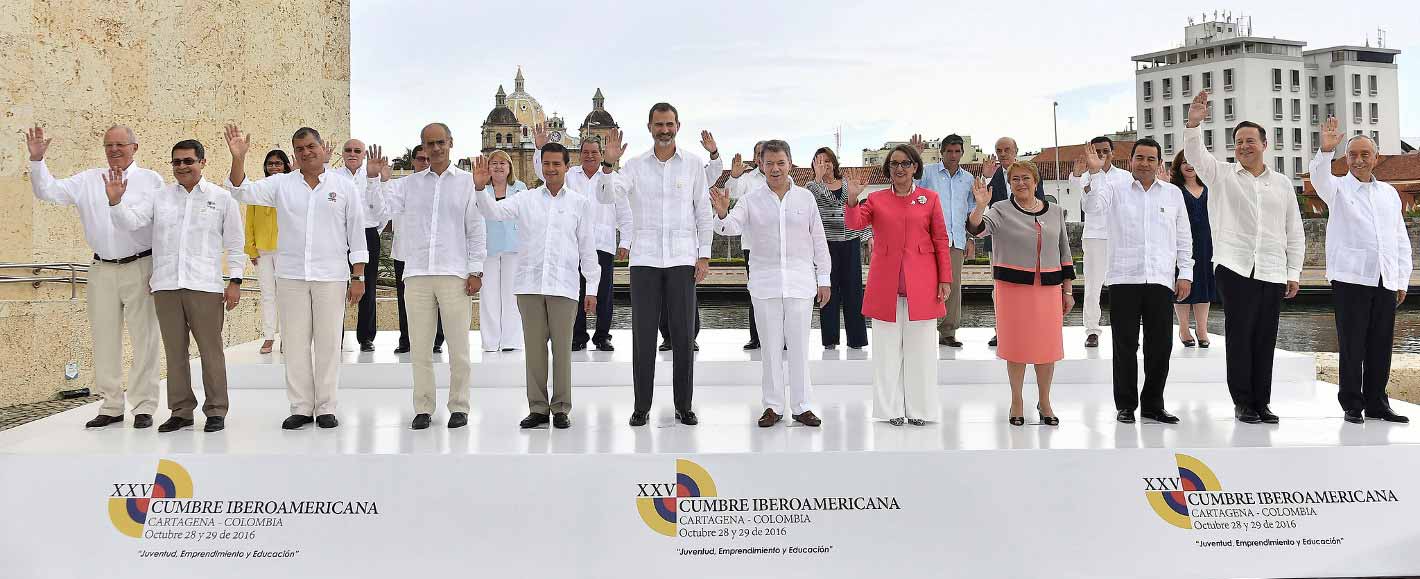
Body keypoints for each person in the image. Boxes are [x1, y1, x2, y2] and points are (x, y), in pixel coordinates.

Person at [224, 124, 369, 430]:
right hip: (290, 276)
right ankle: (301, 406)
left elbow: (356, 232)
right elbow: (240, 191)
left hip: (331, 275)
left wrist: (358, 274)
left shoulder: (343, 188)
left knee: (329, 343)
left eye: (311, 147)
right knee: (295, 343)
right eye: (300, 150)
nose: (306, 153)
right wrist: (238, 158)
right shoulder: (281, 184)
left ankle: (326, 406)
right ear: (294, 154)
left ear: (321, 148)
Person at [26, 124, 164, 430]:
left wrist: (116, 202)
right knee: (104, 338)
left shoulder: (151, 180)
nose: (114, 150)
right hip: (101, 269)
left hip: (142, 267)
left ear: (134, 147)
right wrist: (37, 161)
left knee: (146, 339)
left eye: (120, 144)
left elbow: (145, 224)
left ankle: (144, 405)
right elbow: (48, 190)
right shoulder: (89, 179)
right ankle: (111, 405)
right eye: (108, 145)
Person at [1184, 91, 1305, 425]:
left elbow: (1293, 230)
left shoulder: (1281, 184)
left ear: (1265, 144)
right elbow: (1196, 153)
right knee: (1240, 337)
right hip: (1234, 266)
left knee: (1265, 338)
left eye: (1250, 140)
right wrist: (1194, 122)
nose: (1244, 146)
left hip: (1271, 268)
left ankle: (1262, 402)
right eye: (1239, 141)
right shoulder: (1221, 175)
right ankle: (1243, 402)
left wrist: (1293, 270)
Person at [107, 139, 244, 433]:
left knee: (211, 351)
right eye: (176, 162)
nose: (182, 167)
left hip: (204, 286)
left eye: (188, 161)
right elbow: (130, 223)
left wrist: (235, 280)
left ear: (202, 162)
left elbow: (235, 245)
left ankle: (216, 410)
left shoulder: (221, 199)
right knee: (175, 352)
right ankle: (181, 411)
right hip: (167, 285)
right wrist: (116, 202)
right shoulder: (161, 198)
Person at [598, 103, 715, 427]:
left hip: (681, 260)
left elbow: (703, 213)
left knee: (683, 337)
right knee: (643, 336)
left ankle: (684, 405)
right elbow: (606, 196)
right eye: (658, 125)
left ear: (678, 125)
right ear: (649, 128)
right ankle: (641, 406)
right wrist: (608, 163)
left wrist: (703, 254)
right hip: (645, 260)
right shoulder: (633, 166)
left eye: (669, 124)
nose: (664, 130)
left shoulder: (692, 165)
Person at [368, 124, 484, 430]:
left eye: (440, 142)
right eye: (429, 144)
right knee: (419, 348)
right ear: (422, 146)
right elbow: (379, 210)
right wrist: (375, 180)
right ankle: (423, 407)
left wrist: (476, 270)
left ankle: (459, 405)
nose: (435, 149)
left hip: (454, 273)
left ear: (451, 143)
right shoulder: (408, 184)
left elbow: (475, 229)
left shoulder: (466, 183)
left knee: (458, 347)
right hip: (417, 273)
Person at [474, 144, 599, 429]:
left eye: (557, 163)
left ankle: (562, 408)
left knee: (562, 352)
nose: (551, 169)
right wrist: (481, 189)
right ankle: (538, 408)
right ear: (540, 166)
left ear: (567, 166)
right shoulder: (526, 199)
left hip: (564, 287)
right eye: (546, 163)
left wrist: (592, 286)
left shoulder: (579, 204)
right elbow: (493, 212)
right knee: (534, 350)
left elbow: (587, 248)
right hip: (529, 285)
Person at [712, 140, 831, 427]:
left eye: (780, 163)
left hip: (800, 283)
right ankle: (773, 406)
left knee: (800, 348)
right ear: (761, 165)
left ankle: (802, 406)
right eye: (769, 163)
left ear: (790, 163)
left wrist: (823, 279)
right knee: (770, 348)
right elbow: (730, 228)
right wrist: (722, 212)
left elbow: (818, 241)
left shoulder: (805, 199)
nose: (775, 169)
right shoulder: (751, 199)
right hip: (765, 285)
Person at [1083, 139, 1194, 425]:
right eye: (1140, 158)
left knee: (1160, 346)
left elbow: (1183, 237)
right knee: (1124, 346)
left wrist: (1185, 273)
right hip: (1124, 278)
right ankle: (1126, 405)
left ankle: (1153, 405)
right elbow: (1092, 207)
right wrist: (1095, 173)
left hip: (1160, 279)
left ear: (1159, 163)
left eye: (1151, 158)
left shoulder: (1172, 194)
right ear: (1130, 161)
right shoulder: (1113, 189)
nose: (1145, 163)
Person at [1311, 117, 1410, 424]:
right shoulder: (1337, 189)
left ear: (1376, 158)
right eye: (1352, 154)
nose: (1358, 159)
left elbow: (1399, 239)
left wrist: (1401, 279)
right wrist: (1326, 151)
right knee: (1352, 343)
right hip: (1351, 277)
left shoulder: (1389, 194)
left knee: (1381, 343)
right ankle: (1352, 403)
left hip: (1384, 278)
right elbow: (1318, 178)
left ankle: (1378, 403)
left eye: (1365, 154)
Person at [845, 145, 952, 426]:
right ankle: (890, 409)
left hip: (924, 283)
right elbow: (855, 225)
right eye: (894, 164)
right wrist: (853, 200)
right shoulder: (876, 199)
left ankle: (920, 410)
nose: (900, 169)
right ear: (888, 169)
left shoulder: (930, 199)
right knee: (886, 354)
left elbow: (941, 239)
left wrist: (945, 278)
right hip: (885, 284)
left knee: (922, 354)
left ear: (916, 167)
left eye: (906, 163)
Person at [967, 161, 1073, 426]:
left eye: (1026, 178)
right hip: (1012, 289)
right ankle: (1017, 399)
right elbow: (977, 230)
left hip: (1048, 289)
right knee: (1016, 347)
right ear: (1009, 183)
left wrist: (1068, 290)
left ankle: (1045, 400)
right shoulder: (1000, 210)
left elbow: (1064, 251)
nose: (1021, 183)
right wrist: (980, 205)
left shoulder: (1055, 211)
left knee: (1047, 348)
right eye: (1015, 179)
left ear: (1036, 182)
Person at [531, 126, 632, 352]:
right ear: (579, 154)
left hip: (602, 244)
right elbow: (543, 174)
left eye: (594, 152)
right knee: (574, 291)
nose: (589, 156)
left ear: (602, 153)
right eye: (585, 151)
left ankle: (603, 336)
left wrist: (625, 241)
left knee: (604, 293)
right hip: (572, 244)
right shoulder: (570, 176)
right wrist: (540, 149)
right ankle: (577, 336)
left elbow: (625, 213)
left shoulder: (613, 179)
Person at [656, 130, 723, 352]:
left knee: (686, 295)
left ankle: (689, 336)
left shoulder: (691, 168)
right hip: (658, 246)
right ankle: (667, 337)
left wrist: (713, 152)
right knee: (663, 296)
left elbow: (713, 173)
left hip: (685, 246)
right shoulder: (650, 173)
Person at [980, 136, 1045, 347]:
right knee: (999, 288)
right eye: (999, 150)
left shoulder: (1030, 174)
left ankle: (1030, 328)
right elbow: (983, 203)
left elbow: (1041, 203)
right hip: (1000, 240)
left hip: (1028, 239)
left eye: (1007, 149)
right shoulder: (993, 177)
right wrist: (987, 178)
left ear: (1016, 149)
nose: (1003, 153)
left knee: (1030, 286)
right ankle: (1002, 330)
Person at [912, 134, 975, 347]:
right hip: (928, 240)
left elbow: (971, 209)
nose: (953, 155)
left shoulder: (968, 179)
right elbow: (909, 188)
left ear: (963, 153)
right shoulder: (928, 173)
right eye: (949, 151)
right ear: (941, 152)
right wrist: (915, 156)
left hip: (956, 240)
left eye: (957, 151)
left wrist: (970, 238)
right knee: (927, 285)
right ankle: (924, 329)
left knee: (954, 286)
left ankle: (948, 332)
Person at [1070, 136, 1132, 348]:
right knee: (1093, 285)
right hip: (1095, 236)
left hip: (1120, 236)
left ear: (1112, 153)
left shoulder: (1126, 178)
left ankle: (1125, 330)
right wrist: (1086, 176)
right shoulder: (1085, 177)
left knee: (1124, 287)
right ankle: (1092, 330)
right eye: (1097, 151)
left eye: (1105, 151)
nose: (1102, 155)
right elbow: (1088, 205)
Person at [806, 147, 870, 350]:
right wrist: (817, 180)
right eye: (819, 161)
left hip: (850, 242)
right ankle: (830, 340)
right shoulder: (811, 188)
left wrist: (867, 237)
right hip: (826, 245)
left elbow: (856, 210)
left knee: (853, 292)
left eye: (827, 160)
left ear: (834, 163)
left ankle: (857, 340)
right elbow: (822, 202)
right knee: (828, 292)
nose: (824, 164)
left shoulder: (847, 185)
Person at [332, 139, 384, 353]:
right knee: (336, 287)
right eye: (348, 150)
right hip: (339, 236)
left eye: (357, 151)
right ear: (342, 154)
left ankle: (366, 337)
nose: (352, 154)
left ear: (364, 155)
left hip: (367, 233)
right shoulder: (332, 177)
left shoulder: (373, 175)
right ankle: (335, 337)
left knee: (368, 287)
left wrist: (373, 179)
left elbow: (381, 212)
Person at [392, 145, 445, 354]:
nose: (425, 163)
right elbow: (382, 211)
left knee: (436, 299)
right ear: (413, 161)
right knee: (405, 301)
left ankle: (436, 340)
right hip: (404, 253)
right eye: (420, 159)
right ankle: (406, 340)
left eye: (428, 159)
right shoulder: (401, 185)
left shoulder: (440, 187)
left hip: (432, 254)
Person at [478, 149, 527, 352]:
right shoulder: (480, 188)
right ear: (488, 167)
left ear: (510, 167)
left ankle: (511, 341)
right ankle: (490, 341)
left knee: (512, 295)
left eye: (503, 163)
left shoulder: (520, 188)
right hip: (487, 247)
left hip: (513, 247)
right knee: (488, 295)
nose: (498, 166)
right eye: (494, 163)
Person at [723, 140, 768, 350]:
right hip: (753, 245)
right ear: (755, 157)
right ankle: (756, 337)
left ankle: (783, 338)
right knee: (756, 291)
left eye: (764, 153)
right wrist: (734, 175)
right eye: (758, 153)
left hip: (780, 245)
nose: (761, 157)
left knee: (780, 292)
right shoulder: (747, 180)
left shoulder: (784, 179)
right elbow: (731, 192)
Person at [1169, 150, 1217, 348]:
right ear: (1178, 167)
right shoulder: (1173, 190)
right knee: (1182, 283)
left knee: (1204, 284)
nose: (1189, 166)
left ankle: (1202, 329)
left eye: (1192, 162)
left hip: (1207, 242)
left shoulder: (1209, 187)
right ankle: (1183, 328)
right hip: (1181, 242)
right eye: (1184, 162)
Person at [247, 150, 288, 355]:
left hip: (285, 251)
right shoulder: (258, 190)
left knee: (286, 296)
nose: (274, 167)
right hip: (262, 251)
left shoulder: (291, 189)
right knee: (268, 295)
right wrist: (251, 249)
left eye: (278, 164)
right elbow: (249, 222)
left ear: (286, 166)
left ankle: (287, 338)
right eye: (270, 164)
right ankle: (269, 336)